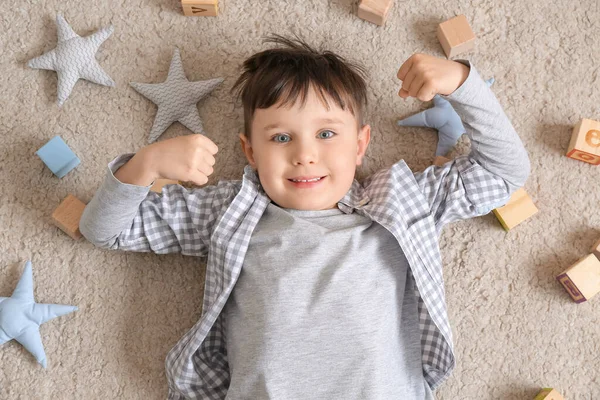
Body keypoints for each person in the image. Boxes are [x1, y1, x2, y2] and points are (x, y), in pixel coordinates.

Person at [80, 34, 530, 399]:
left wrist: (462, 83)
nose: (304, 155)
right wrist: (146, 165)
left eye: (327, 133)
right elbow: (104, 231)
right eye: (280, 138)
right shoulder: (229, 210)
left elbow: (503, 172)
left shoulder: (401, 200)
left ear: (359, 144)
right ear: (250, 151)